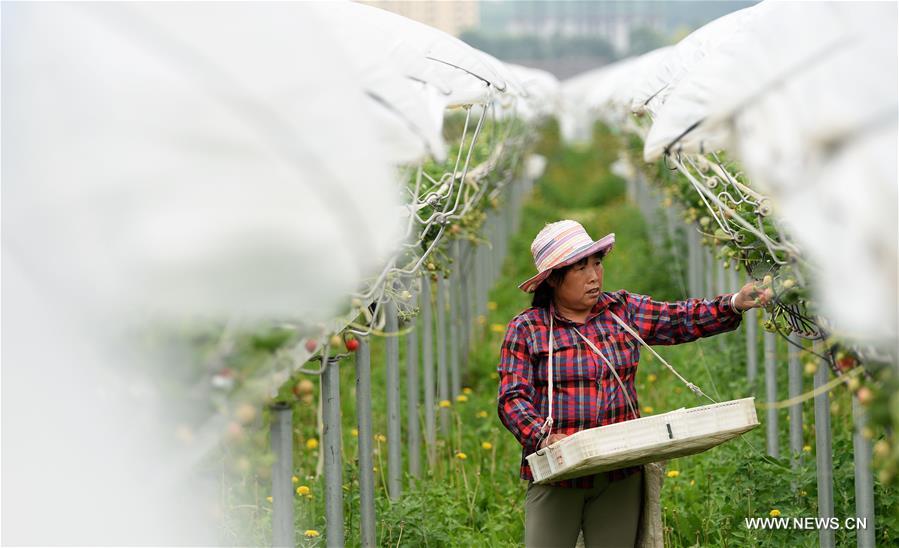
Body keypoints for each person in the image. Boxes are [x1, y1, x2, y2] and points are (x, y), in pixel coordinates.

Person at [497, 220, 770, 548]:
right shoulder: (529, 329)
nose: (594, 276)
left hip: (619, 471)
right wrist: (543, 435)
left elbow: (677, 318)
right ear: (554, 279)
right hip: (559, 474)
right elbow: (512, 398)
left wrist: (733, 303)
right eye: (580, 268)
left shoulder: (620, 312)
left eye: (597, 263)